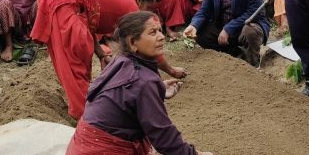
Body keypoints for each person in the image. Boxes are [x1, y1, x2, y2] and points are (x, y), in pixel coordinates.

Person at [31, 0, 187, 119]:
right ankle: (86, 117)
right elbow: (148, 45)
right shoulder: (131, 7)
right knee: (74, 63)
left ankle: (85, 110)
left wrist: (100, 54)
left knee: (75, 62)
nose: (146, 14)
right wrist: (171, 70)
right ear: (140, 0)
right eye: (147, 9)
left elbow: (88, 23)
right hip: (63, 3)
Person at [67, 11, 212, 155]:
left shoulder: (120, 61)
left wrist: (158, 89)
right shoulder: (144, 81)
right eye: (153, 32)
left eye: (161, 31)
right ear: (132, 42)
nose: (161, 37)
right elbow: (164, 138)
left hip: (82, 145)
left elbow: (126, 94)